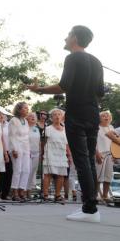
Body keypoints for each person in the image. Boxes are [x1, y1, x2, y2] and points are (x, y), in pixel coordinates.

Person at [28, 25, 104, 222]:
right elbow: (100, 92)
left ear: (75, 38)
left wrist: (39, 90)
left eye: (68, 35)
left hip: (77, 113)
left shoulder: (71, 58)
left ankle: (90, 209)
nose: (65, 38)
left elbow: (64, 86)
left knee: (81, 160)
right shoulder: (96, 61)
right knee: (87, 160)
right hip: (92, 113)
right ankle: (91, 206)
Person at [42, 108, 71, 201]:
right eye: (55, 114)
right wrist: (42, 153)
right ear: (51, 118)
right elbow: (43, 142)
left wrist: (69, 155)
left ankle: (57, 195)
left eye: (59, 114)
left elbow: (67, 144)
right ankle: (45, 194)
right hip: (50, 153)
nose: (57, 116)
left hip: (61, 153)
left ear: (62, 117)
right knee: (48, 174)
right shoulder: (48, 129)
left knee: (61, 174)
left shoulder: (65, 130)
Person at [8, 102, 31, 201]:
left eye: (27, 108)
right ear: (19, 109)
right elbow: (11, 136)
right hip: (17, 147)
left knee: (26, 170)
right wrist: (14, 149)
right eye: (25, 108)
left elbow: (27, 136)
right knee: (18, 170)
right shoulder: (14, 120)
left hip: (26, 147)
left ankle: (22, 190)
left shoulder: (25, 121)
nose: (27, 110)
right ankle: (14, 192)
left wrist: (28, 150)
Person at [95, 111, 114, 202]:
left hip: (110, 154)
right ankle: (96, 194)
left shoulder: (111, 128)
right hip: (100, 154)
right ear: (99, 118)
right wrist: (97, 153)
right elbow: (93, 142)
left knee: (108, 175)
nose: (106, 117)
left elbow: (114, 142)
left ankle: (105, 196)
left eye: (107, 115)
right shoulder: (96, 128)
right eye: (103, 116)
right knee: (98, 175)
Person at [26, 112, 40, 197]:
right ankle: (23, 190)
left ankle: (29, 190)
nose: (32, 118)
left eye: (34, 116)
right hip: (27, 152)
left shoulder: (36, 129)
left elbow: (38, 142)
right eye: (30, 116)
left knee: (33, 172)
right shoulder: (25, 128)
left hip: (36, 153)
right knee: (27, 171)